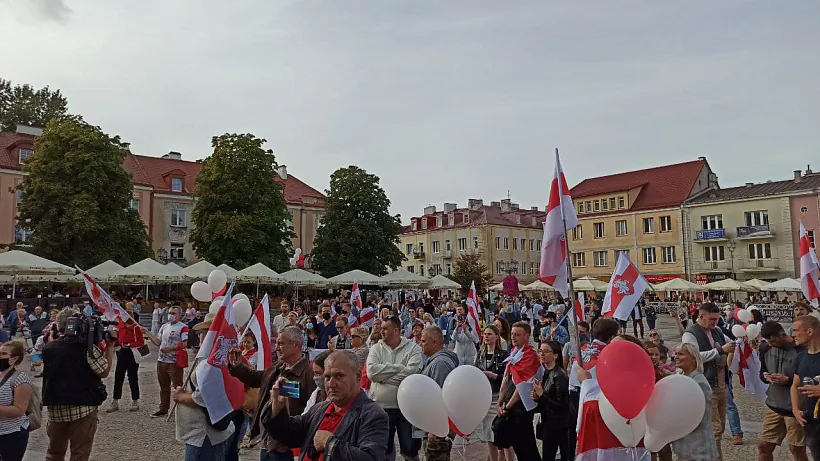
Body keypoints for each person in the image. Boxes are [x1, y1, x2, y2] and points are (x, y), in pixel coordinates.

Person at [263, 350, 389, 461]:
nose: (331, 384)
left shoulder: (373, 415)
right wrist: (277, 408)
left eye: (339, 376)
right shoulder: (319, 409)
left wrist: (330, 444)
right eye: (327, 377)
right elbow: (289, 434)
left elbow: (370, 457)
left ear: (357, 376)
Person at [229, 326, 316, 461]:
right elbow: (257, 378)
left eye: (281, 343)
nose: (276, 348)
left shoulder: (309, 375)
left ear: (296, 345)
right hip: (267, 443)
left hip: (288, 448)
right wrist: (238, 367)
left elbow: (312, 411)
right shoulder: (277, 367)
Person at [42, 308, 116, 461]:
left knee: (54, 453)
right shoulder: (86, 348)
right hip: (83, 406)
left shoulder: (49, 347)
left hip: (56, 407)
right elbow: (104, 371)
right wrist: (110, 347)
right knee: (79, 454)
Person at [681, 302, 736, 460]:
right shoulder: (690, 334)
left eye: (717, 318)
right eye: (712, 319)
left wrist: (741, 342)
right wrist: (720, 350)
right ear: (701, 316)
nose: (715, 322)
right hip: (705, 386)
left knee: (721, 427)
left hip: (722, 385)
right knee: (714, 429)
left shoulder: (717, 330)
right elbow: (694, 357)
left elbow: (730, 343)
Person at [367, 315, 423, 461]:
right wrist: (399, 367)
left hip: (407, 408)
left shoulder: (413, 348)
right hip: (381, 408)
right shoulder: (375, 349)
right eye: (381, 328)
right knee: (383, 450)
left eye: (385, 328)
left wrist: (383, 378)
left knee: (410, 449)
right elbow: (372, 373)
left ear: (396, 330)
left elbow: (412, 372)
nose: (381, 331)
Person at [757, 321, 808, 461]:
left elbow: (809, 379)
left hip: (795, 407)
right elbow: (762, 372)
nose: (771, 344)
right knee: (764, 446)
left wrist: (788, 380)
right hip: (774, 405)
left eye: (774, 341)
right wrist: (766, 377)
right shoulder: (766, 349)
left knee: (796, 449)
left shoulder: (801, 351)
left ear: (782, 335)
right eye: (768, 341)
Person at [172, 361, 235, 460]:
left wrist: (180, 397)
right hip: (202, 435)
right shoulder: (208, 360)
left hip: (204, 436)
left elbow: (205, 397)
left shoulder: (210, 363)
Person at [496, 322, 540, 461]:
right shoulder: (514, 353)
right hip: (510, 406)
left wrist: (507, 407)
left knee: (527, 447)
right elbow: (506, 379)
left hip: (521, 408)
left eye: (517, 334)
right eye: (512, 334)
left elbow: (522, 387)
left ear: (526, 336)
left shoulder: (530, 356)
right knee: (517, 447)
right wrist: (499, 403)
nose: (513, 337)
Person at [671, 343, 719, 461]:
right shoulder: (683, 377)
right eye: (675, 354)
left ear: (693, 358)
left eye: (681, 354)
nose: (676, 357)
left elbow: (699, 416)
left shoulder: (699, 382)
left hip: (698, 448)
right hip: (686, 446)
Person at [419, 326, 459, 460]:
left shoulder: (440, 364)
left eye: (424, 341)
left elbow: (440, 399)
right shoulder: (436, 361)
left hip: (438, 431)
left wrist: (435, 428)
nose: (421, 344)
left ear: (434, 342)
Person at [474, 325, 513, 461]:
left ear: (497, 337)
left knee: (500, 434)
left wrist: (493, 375)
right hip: (485, 397)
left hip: (498, 397)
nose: (486, 336)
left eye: (489, 334)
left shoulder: (503, 355)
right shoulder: (480, 354)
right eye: (485, 334)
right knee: (487, 434)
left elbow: (508, 379)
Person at [144, 306, 189, 418]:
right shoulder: (164, 326)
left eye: (173, 313)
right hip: (161, 360)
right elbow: (158, 342)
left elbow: (185, 343)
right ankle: (163, 408)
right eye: (169, 313)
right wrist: (147, 332)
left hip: (174, 361)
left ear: (179, 315)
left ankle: (181, 409)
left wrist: (170, 348)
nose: (171, 315)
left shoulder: (183, 327)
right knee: (164, 387)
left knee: (177, 386)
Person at [533, 340, 571, 461]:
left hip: (560, 425)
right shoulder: (546, 373)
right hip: (548, 422)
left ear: (555, 355)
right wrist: (537, 398)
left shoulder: (560, 376)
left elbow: (562, 405)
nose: (542, 354)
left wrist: (541, 396)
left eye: (546, 351)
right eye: (540, 351)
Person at [106, 305, 145, 413]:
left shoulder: (136, 327)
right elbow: (119, 338)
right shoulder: (121, 325)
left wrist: (129, 344)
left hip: (132, 352)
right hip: (122, 352)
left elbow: (141, 342)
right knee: (118, 376)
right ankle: (115, 400)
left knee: (132, 377)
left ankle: (135, 400)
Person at [791, 314, 820, 459]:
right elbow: (795, 385)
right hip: (812, 422)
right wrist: (795, 409)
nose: (793, 334)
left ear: (809, 331)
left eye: (796, 330)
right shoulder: (800, 357)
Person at [0, 341, 34, 461]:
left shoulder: (20, 379)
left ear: (14, 359)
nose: (0, 356)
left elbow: (19, 410)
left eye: (4, 354)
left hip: (12, 434)